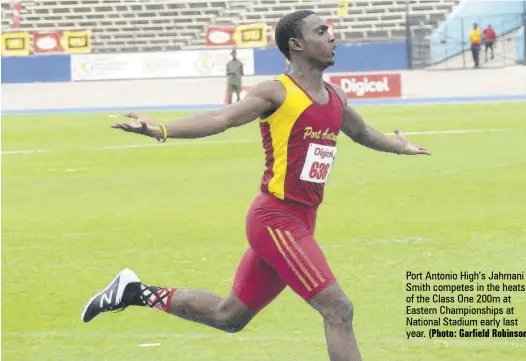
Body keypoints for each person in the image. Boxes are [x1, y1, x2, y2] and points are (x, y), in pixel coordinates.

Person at [81, 10, 429, 361]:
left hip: (302, 221)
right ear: (296, 44)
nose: (332, 36)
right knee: (338, 309)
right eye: (321, 31)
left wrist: (400, 145)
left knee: (228, 316)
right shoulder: (276, 93)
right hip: (276, 220)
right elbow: (222, 118)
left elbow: (362, 132)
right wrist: (163, 129)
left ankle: (132, 292)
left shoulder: (335, 97)